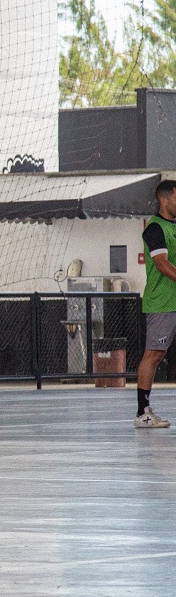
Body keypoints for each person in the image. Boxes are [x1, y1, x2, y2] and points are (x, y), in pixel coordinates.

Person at [134, 179, 176, 428]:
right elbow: (161, 263)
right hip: (162, 302)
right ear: (164, 199)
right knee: (154, 354)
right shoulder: (154, 228)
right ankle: (142, 413)